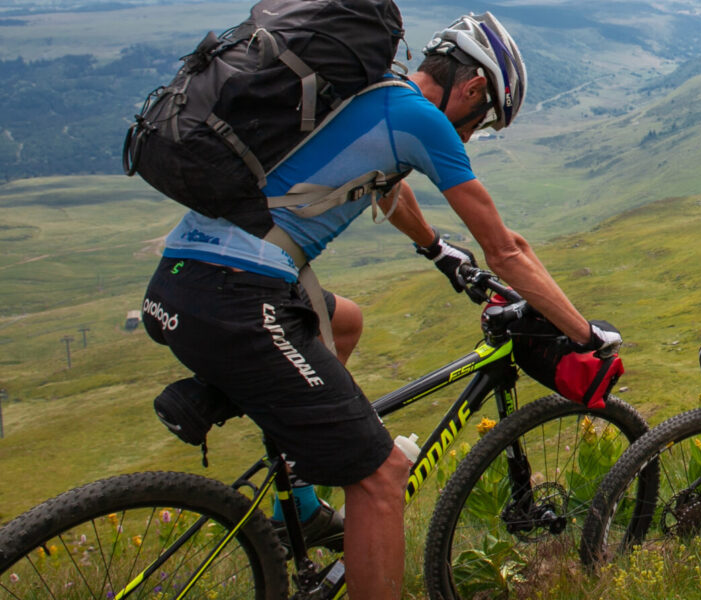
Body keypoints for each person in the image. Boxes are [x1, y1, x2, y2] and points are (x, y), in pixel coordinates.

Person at [140, 13, 616, 598]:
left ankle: (306, 503)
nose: (472, 131)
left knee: (346, 322)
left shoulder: (371, 97)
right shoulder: (418, 118)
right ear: (472, 87)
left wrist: (438, 251)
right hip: (237, 298)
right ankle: (338, 473)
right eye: (484, 117)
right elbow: (507, 250)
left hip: (183, 278)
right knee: (383, 476)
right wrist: (584, 334)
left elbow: (385, 185)